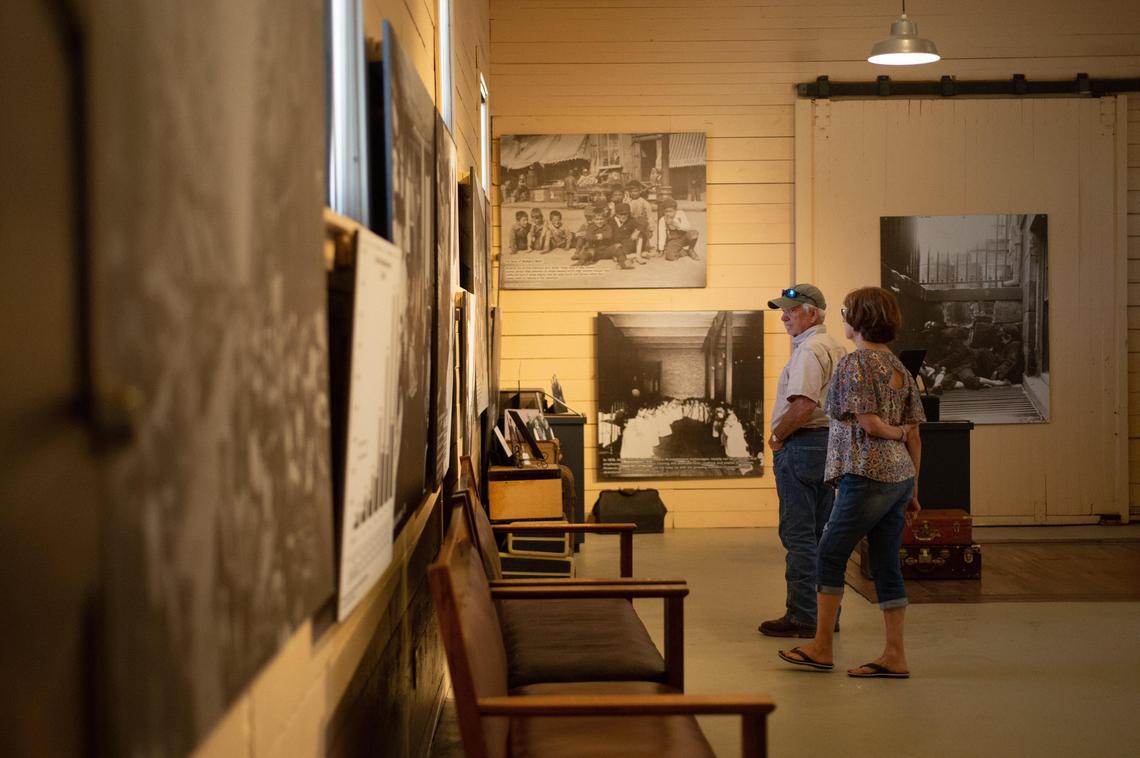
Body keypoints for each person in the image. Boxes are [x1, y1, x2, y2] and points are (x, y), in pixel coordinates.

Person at [778, 286, 924, 679]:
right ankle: (895, 655)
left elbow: (870, 424)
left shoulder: (855, 363)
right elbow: (915, 435)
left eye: (845, 311)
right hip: (899, 478)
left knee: (828, 554)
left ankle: (821, 647)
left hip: (866, 474)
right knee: (886, 562)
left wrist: (891, 432)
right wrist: (913, 488)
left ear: (858, 319)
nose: (841, 317)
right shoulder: (898, 366)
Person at [760, 284, 847, 638]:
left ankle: (803, 616)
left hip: (803, 445)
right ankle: (826, 616)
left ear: (812, 313)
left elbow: (805, 403)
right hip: (827, 446)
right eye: (783, 311)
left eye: (791, 310)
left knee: (798, 535)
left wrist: (778, 436)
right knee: (821, 535)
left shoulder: (809, 350)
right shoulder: (834, 346)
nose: (784, 317)